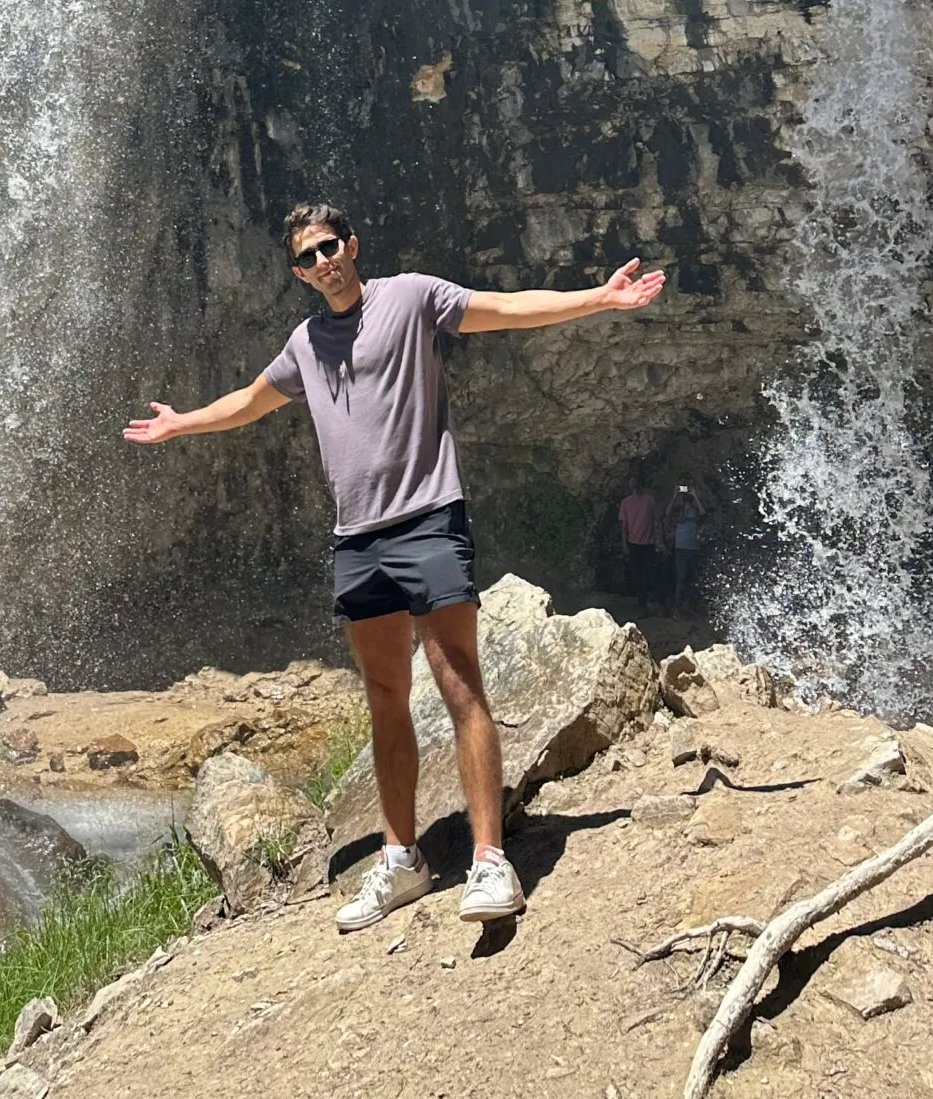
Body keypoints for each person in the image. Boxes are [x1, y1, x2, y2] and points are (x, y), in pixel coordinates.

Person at [126, 202, 665, 932]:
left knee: (459, 682)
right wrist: (182, 421)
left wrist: (598, 299)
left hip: (428, 518)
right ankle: (402, 858)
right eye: (309, 256)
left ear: (354, 243)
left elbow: (502, 309)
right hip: (358, 541)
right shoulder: (305, 343)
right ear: (299, 271)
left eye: (330, 246)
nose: (324, 262)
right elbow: (251, 402)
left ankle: (487, 859)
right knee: (385, 697)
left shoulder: (411, 297)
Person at [615, 475, 663, 607]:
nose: (634, 486)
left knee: (652, 574)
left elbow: (657, 521)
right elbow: (624, 526)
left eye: (636, 483)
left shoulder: (649, 500)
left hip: (648, 543)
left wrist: (659, 541)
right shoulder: (626, 502)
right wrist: (625, 545)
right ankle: (643, 605)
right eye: (632, 483)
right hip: (633, 544)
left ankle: (659, 603)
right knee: (637, 576)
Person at [664, 479, 707, 611]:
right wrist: (674, 496)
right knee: (681, 577)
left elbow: (703, 513)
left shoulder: (695, 510)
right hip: (681, 548)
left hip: (693, 548)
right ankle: (678, 607)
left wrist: (695, 495)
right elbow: (667, 513)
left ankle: (690, 606)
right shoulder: (678, 510)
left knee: (692, 578)